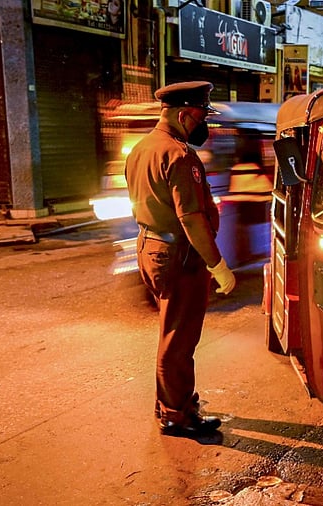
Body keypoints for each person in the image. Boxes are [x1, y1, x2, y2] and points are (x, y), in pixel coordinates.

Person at [125, 81, 237, 438]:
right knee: (179, 339)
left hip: (151, 248)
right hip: (180, 256)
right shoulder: (178, 154)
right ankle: (176, 416)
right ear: (185, 114)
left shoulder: (141, 149)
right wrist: (217, 265)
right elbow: (191, 217)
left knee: (171, 332)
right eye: (201, 115)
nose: (204, 124)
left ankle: (173, 403)